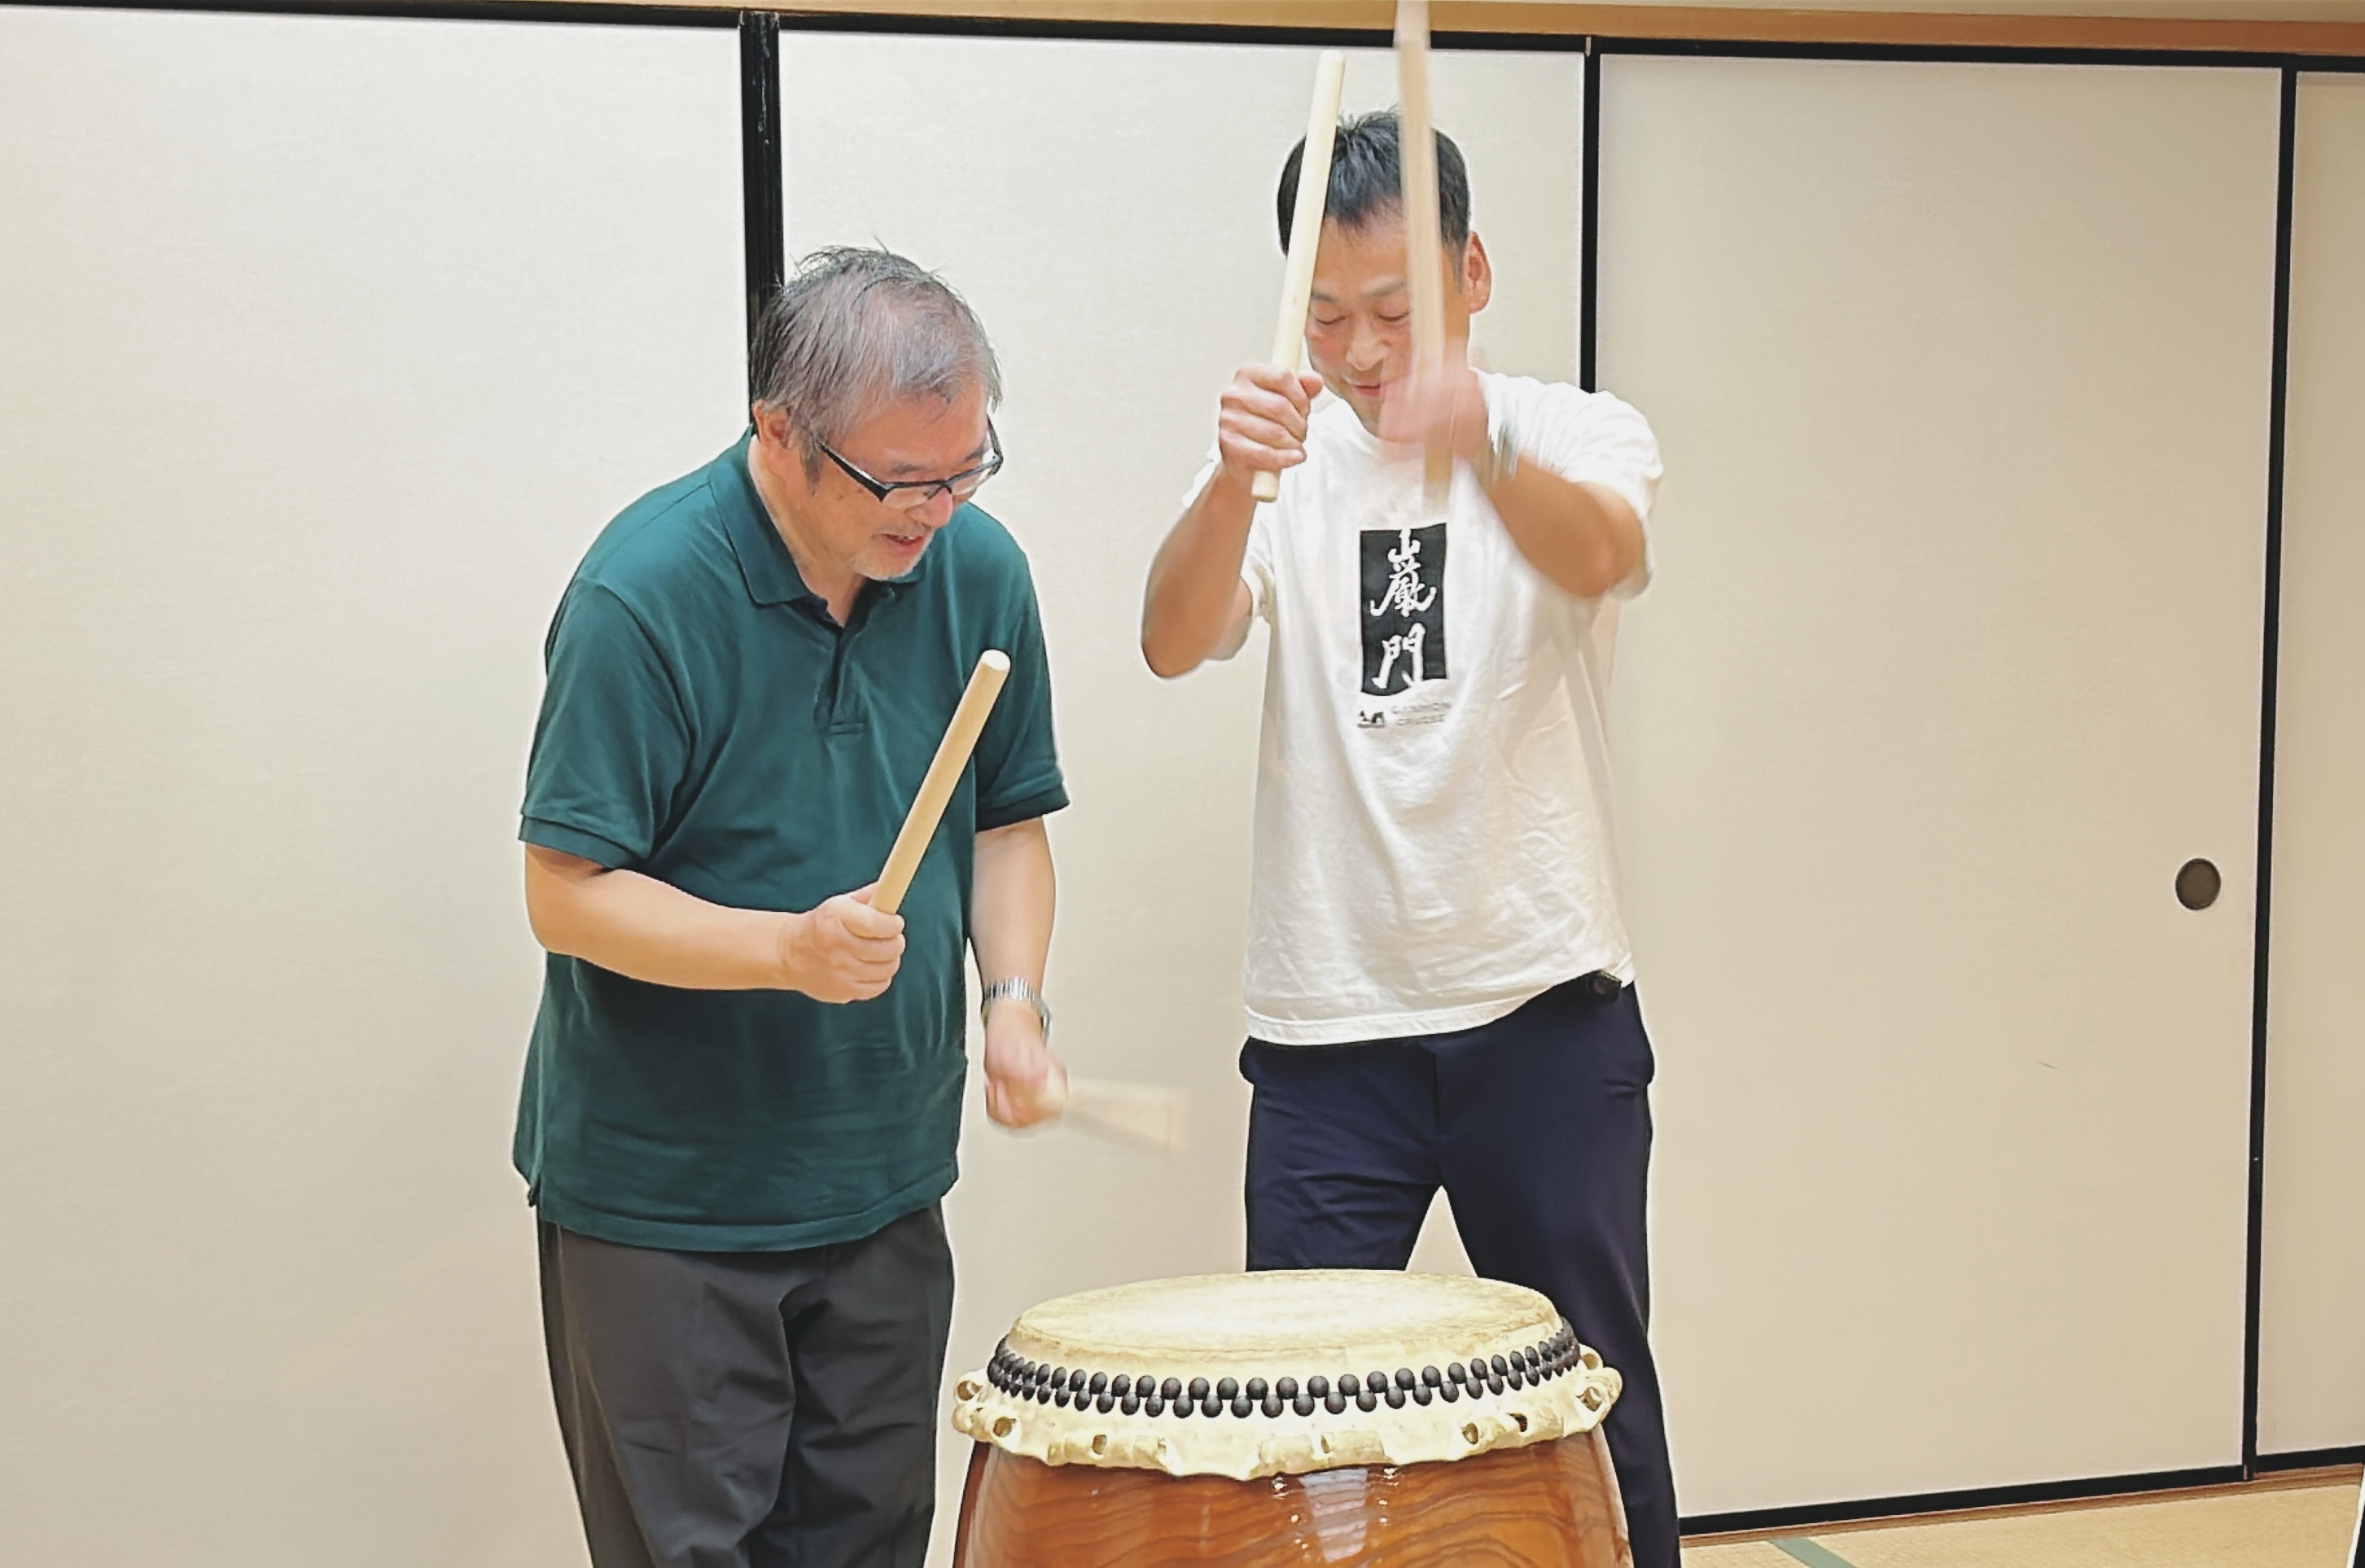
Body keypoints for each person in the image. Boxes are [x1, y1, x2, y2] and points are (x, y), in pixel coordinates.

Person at [1140, 112, 1679, 1566]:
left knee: (1585, 1395)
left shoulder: (1569, 430)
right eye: (1325, 315)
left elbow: (1601, 556)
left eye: (1393, 311)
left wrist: (1481, 447)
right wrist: (1226, 481)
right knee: (1300, 1419)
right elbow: (1170, 637)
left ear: (1473, 274)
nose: (1360, 351)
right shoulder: (1285, 454)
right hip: (1329, 1038)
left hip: (1544, 1014)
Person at [515, 247, 1066, 1568]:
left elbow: (1006, 826)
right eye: (901, 482)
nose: (935, 511)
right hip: (669, 1207)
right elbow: (565, 895)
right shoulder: (642, 592)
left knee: (870, 1544)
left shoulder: (973, 569)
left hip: (881, 1180)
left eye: (965, 468)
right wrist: (784, 948)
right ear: (781, 433)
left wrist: (1013, 1001)